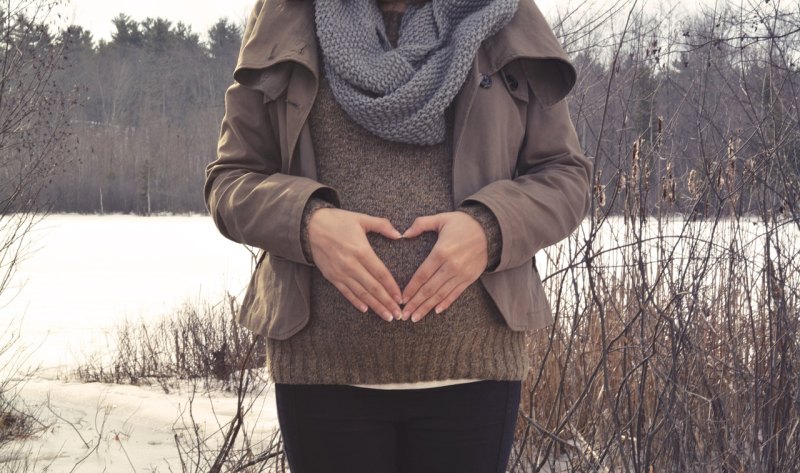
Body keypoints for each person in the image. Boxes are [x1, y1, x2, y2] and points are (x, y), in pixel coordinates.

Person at [203, 0, 592, 470]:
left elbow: (565, 178)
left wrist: (489, 229)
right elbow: (230, 180)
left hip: (474, 377)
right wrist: (308, 223)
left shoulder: (503, 12)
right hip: (323, 376)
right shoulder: (288, 12)